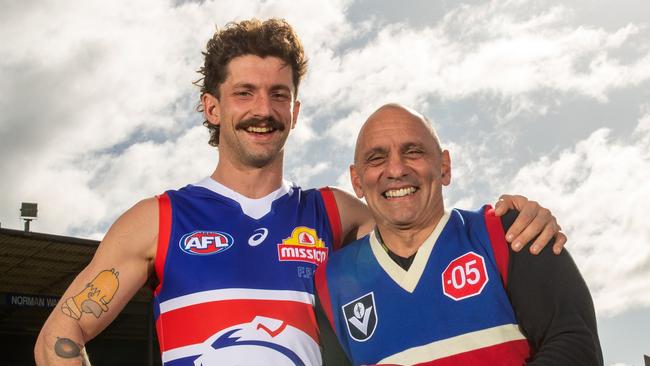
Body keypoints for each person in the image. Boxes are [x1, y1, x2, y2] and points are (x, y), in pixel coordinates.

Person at [34, 19, 566, 366]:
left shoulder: (333, 210)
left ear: (295, 110)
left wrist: (518, 218)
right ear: (212, 108)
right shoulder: (159, 219)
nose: (262, 109)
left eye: (278, 94)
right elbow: (61, 334)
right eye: (244, 93)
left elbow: (419, 223)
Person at [315, 104, 602, 365]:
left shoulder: (508, 232)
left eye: (413, 152)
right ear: (357, 181)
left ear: (444, 166)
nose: (397, 169)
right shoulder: (332, 283)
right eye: (377, 158)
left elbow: (576, 345)